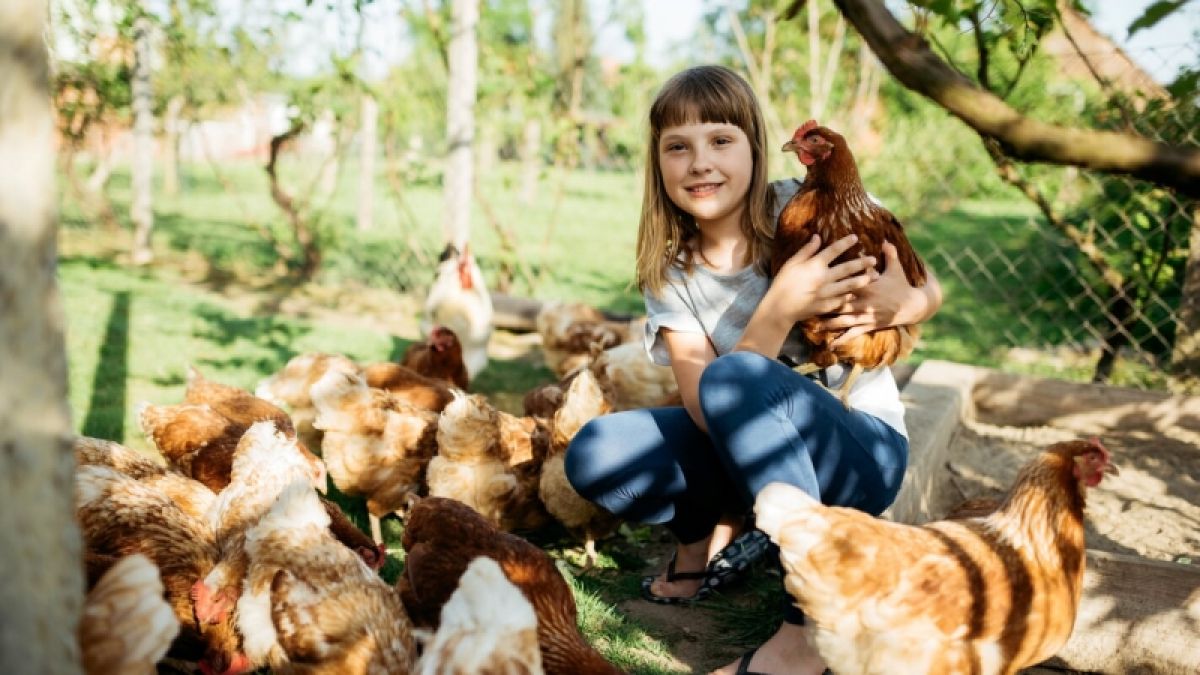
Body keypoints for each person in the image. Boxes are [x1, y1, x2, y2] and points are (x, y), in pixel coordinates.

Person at [563, 65, 943, 675]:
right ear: (657, 163)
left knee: (734, 377)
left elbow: (927, 284)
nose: (700, 163)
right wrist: (779, 308)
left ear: (755, 147)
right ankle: (705, 539)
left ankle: (810, 630)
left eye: (720, 140)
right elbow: (702, 407)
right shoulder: (673, 275)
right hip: (747, 447)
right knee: (597, 451)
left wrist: (910, 304)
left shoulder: (812, 202)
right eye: (678, 147)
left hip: (856, 450)